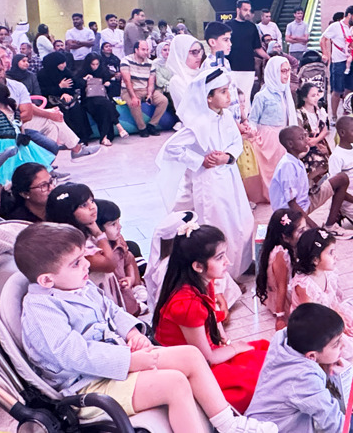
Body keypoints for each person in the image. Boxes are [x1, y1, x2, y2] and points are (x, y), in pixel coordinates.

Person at [14, 223, 274, 433]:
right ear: (46, 280)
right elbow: (75, 354)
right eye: (76, 263)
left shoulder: (76, 284)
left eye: (84, 257)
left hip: (115, 362)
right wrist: (129, 360)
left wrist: (132, 333)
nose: (87, 265)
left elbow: (113, 311)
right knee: (174, 383)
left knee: (191, 355)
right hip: (86, 385)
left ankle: (229, 425)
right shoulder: (42, 311)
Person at [153, 222, 269, 414]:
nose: (228, 262)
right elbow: (207, 357)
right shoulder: (187, 304)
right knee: (254, 379)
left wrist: (225, 340)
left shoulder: (202, 281)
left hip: (205, 355)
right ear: (198, 266)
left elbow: (214, 319)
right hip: (191, 369)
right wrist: (235, 347)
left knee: (264, 349)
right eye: (220, 257)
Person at [156, 68, 255, 275]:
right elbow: (172, 148)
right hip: (210, 182)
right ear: (208, 97)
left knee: (242, 221)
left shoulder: (226, 116)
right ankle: (222, 278)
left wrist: (227, 156)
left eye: (228, 90)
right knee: (220, 224)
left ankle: (240, 265)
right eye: (223, 92)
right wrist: (200, 160)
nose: (229, 96)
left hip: (229, 176)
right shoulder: (198, 122)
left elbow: (236, 141)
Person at [245, 303, 351, 433]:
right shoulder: (303, 378)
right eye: (336, 344)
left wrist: (323, 359)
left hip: (256, 421)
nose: (343, 345)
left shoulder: (284, 339)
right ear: (311, 355)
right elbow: (334, 424)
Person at [0, 84, 55, 193]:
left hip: (2, 148)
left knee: (2, 174)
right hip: (19, 145)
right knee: (25, 172)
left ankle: (4, 198)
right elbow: (21, 130)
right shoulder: (16, 114)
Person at [289, 229, 353, 357]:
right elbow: (312, 316)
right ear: (315, 260)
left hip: (326, 313)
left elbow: (333, 301)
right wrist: (336, 327)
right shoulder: (305, 285)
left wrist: (339, 315)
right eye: (331, 253)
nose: (336, 256)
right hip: (312, 323)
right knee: (344, 348)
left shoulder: (328, 274)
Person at [250, 57, 298, 194]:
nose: (287, 75)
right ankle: (271, 194)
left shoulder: (286, 93)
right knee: (270, 169)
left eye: (288, 71)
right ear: (273, 72)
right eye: (283, 71)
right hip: (268, 138)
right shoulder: (262, 96)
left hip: (284, 135)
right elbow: (253, 119)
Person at [256, 209, 308, 329]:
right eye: (300, 230)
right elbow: (282, 287)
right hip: (284, 300)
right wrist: (280, 317)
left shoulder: (287, 246)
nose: (304, 233)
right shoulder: (281, 254)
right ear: (285, 237)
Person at [37, 52, 92, 144]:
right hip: (51, 100)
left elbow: (73, 84)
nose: (64, 65)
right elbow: (44, 91)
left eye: (64, 62)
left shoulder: (65, 71)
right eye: (61, 63)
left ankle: (82, 137)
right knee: (62, 110)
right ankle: (68, 139)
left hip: (68, 97)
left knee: (76, 108)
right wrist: (59, 87)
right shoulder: (43, 74)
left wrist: (67, 92)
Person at [320, 6, 353, 117]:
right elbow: (323, 39)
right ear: (349, 15)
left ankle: (345, 113)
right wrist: (325, 54)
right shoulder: (335, 26)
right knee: (337, 90)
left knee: (350, 89)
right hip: (338, 62)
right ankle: (333, 115)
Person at [122, 40, 168, 136]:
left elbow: (151, 82)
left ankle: (152, 125)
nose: (146, 52)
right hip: (129, 90)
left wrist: (150, 94)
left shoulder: (151, 63)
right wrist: (133, 97)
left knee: (163, 100)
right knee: (134, 103)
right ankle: (142, 128)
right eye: (143, 49)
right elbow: (127, 81)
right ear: (136, 50)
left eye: (147, 49)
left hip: (145, 89)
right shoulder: (126, 60)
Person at [77, 52, 123, 146]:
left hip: (102, 99)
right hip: (88, 100)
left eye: (97, 64)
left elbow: (112, 87)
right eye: (92, 64)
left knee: (105, 108)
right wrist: (85, 80)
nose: (95, 67)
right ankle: (118, 126)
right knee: (107, 105)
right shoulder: (82, 73)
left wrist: (108, 84)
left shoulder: (103, 71)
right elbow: (77, 85)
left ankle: (104, 137)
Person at [230, 0, 270, 99]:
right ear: (238, 10)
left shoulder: (252, 27)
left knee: (246, 97)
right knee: (232, 96)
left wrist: (268, 57)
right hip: (231, 67)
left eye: (249, 10)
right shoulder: (228, 26)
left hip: (248, 68)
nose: (248, 13)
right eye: (245, 10)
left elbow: (257, 48)